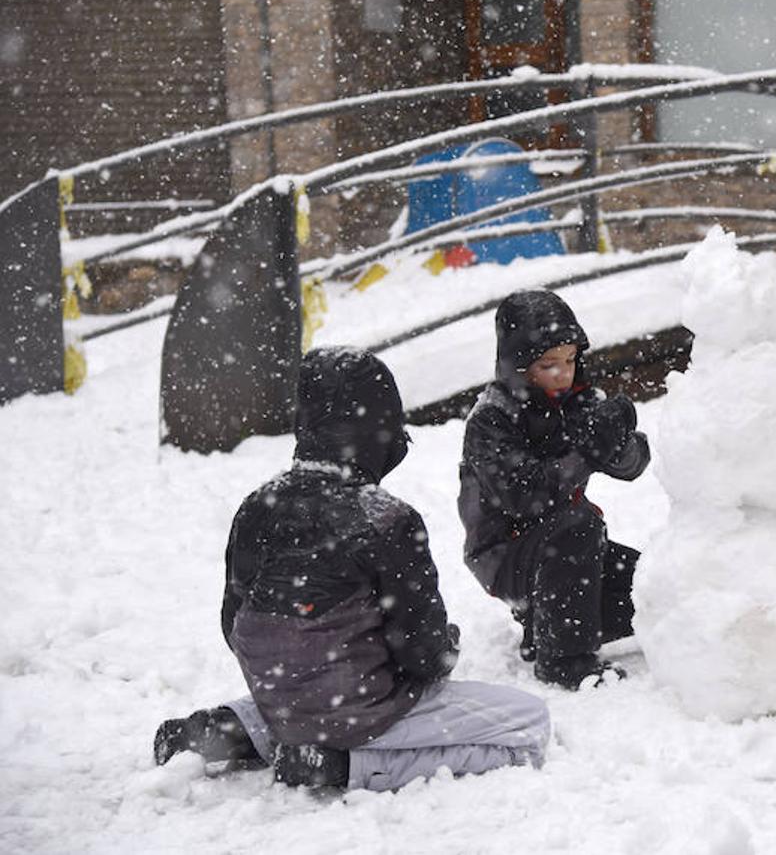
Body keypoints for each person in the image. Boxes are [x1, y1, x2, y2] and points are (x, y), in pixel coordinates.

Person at [153, 346, 550, 791]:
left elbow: (233, 623)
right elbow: (422, 654)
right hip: (360, 709)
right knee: (528, 723)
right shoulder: (386, 519)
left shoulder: (256, 507)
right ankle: (342, 766)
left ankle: (232, 729)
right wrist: (444, 650)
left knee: (308, 694)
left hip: (278, 696)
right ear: (379, 429)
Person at [458, 289, 650, 690]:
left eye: (569, 360)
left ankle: (544, 628)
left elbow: (633, 467)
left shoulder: (576, 401)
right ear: (519, 365)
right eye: (549, 364)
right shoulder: (491, 420)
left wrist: (618, 440)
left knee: (654, 587)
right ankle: (565, 661)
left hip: (570, 550)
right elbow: (525, 495)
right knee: (577, 526)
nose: (563, 373)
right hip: (506, 554)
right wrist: (587, 452)